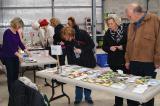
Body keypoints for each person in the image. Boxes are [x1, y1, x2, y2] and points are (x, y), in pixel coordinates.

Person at [125, 3, 160, 106]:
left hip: (148, 63)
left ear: (137, 13)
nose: (128, 18)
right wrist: (127, 59)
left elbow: (159, 42)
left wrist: (157, 60)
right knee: (131, 88)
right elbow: (128, 43)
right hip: (133, 63)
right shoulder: (131, 24)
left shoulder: (154, 20)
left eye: (129, 16)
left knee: (147, 91)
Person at [61, 26, 96, 105]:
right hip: (77, 62)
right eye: (65, 38)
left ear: (71, 34)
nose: (66, 40)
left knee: (87, 80)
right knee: (77, 80)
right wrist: (70, 66)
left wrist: (82, 50)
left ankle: (88, 97)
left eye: (67, 38)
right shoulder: (67, 40)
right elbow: (69, 53)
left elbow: (92, 45)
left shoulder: (82, 33)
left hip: (87, 60)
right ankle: (78, 98)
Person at [1, 17, 30, 104]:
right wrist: (19, 55)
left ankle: (15, 91)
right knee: (11, 77)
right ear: (15, 23)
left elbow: (19, 43)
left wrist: (26, 50)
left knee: (16, 76)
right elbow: (9, 47)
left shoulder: (16, 32)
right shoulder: (7, 32)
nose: (20, 28)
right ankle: (12, 95)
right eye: (19, 26)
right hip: (8, 57)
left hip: (14, 57)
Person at [102, 17, 128, 106]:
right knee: (117, 83)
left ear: (116, 23)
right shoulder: (107, 33)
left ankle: (130, 102)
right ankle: (118, 103)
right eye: (108, 24)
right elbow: (104, 46)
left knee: (127, 82)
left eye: (111, 23)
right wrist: (109, 48)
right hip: (113, 62)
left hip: (125, 61)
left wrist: (122, 47)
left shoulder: (125, 31)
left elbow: (131, 44)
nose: (110, 26)